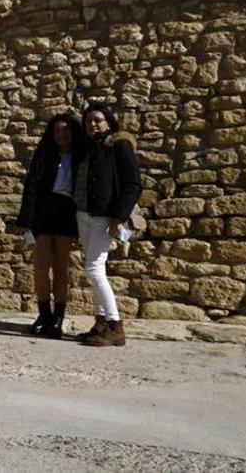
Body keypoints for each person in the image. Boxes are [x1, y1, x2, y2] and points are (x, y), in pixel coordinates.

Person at [74, 102, 142, 347]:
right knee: (95, 270)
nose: (93, 124)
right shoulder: (90, 148)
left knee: (93, 268)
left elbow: (133, 184)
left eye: (98, 119)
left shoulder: (119, 145)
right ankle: (101, 323)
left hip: (104, 217)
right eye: (89, 120)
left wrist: (118, 217)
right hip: (85, 215)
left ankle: (115, 324)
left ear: (109, 122)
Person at [16, 113, 86, 339]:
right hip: (44, 212)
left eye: (66, 130)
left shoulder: (80, 156)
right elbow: (32, 185)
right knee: (40, 265)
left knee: (61, 267)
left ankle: (58, 316)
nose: (61, 134)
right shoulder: (45, 154)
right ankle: (44, 313)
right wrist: (26, 219)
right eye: (57, 130)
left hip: (67, 212)